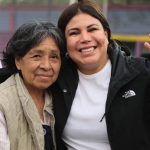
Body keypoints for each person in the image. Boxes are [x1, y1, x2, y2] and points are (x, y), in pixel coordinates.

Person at [50, 0, 150, 150]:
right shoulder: (54, 76)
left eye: (92, 29)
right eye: (74, 33)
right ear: (65, 42)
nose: (85, 38)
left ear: (106, 33)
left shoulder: (141, 72)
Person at [0, 21, 64, 150]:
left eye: (54, 57)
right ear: (18, 61)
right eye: (36, 56)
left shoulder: (62, 97)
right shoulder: (3, 101)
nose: (46, 66)